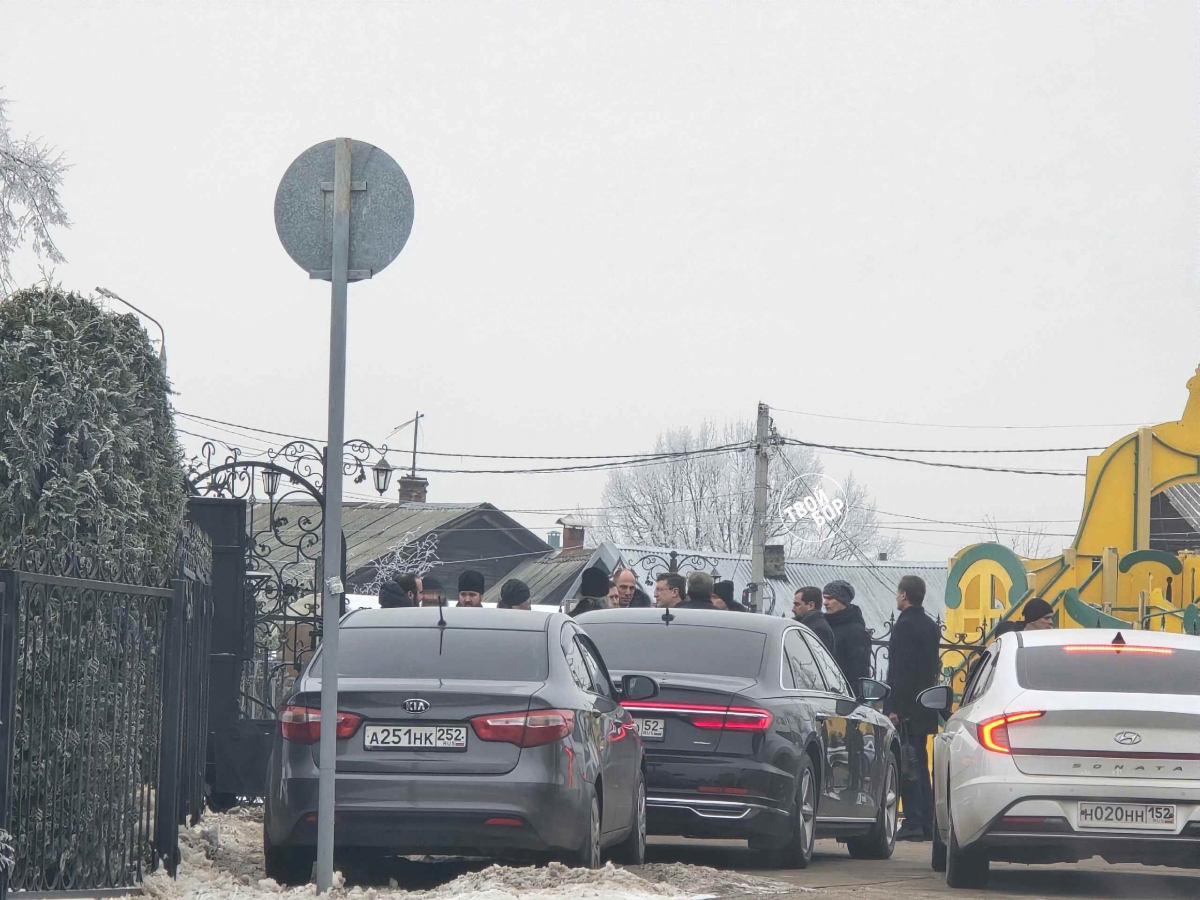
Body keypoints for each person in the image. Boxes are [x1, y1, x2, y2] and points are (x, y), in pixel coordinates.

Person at [884, 575, 940, 842]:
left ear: (904, 595)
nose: (897, 597)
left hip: (906, 709)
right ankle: (927, 821)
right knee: (920, 763)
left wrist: (894, 706)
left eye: (898, 593)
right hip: (924, 705)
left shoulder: (905, 625)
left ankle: (914, 820)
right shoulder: (930, 625)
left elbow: (900, 671)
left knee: (908, 765)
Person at [823, 580, 871, 689]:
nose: (825, 602)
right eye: (824, 598)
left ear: (843, 601)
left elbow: (859, 670)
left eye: (830, 598)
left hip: (844, 694)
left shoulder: (856, 631)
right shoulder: (824, 625)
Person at [793, 586, 836, 656]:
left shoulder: (819, 629)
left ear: (811, 605)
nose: (793, 609)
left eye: (797, 604)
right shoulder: (800, 625)